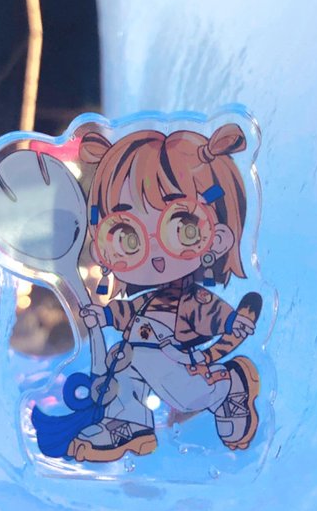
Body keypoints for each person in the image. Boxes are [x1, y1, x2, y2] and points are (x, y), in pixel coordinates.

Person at [66, 123, 262, 463]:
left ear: (217, 238)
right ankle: (131, 423)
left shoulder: (190, 299)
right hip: (140, 356)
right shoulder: (149, 302)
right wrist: (105, 315)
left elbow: (209, 311)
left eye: (183, 227)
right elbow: (130, 311)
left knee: (187, 397)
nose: (154, 249)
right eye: (127, 235)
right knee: (122, 368)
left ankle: (229, 384)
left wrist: (233, 321)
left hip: (177, 363)